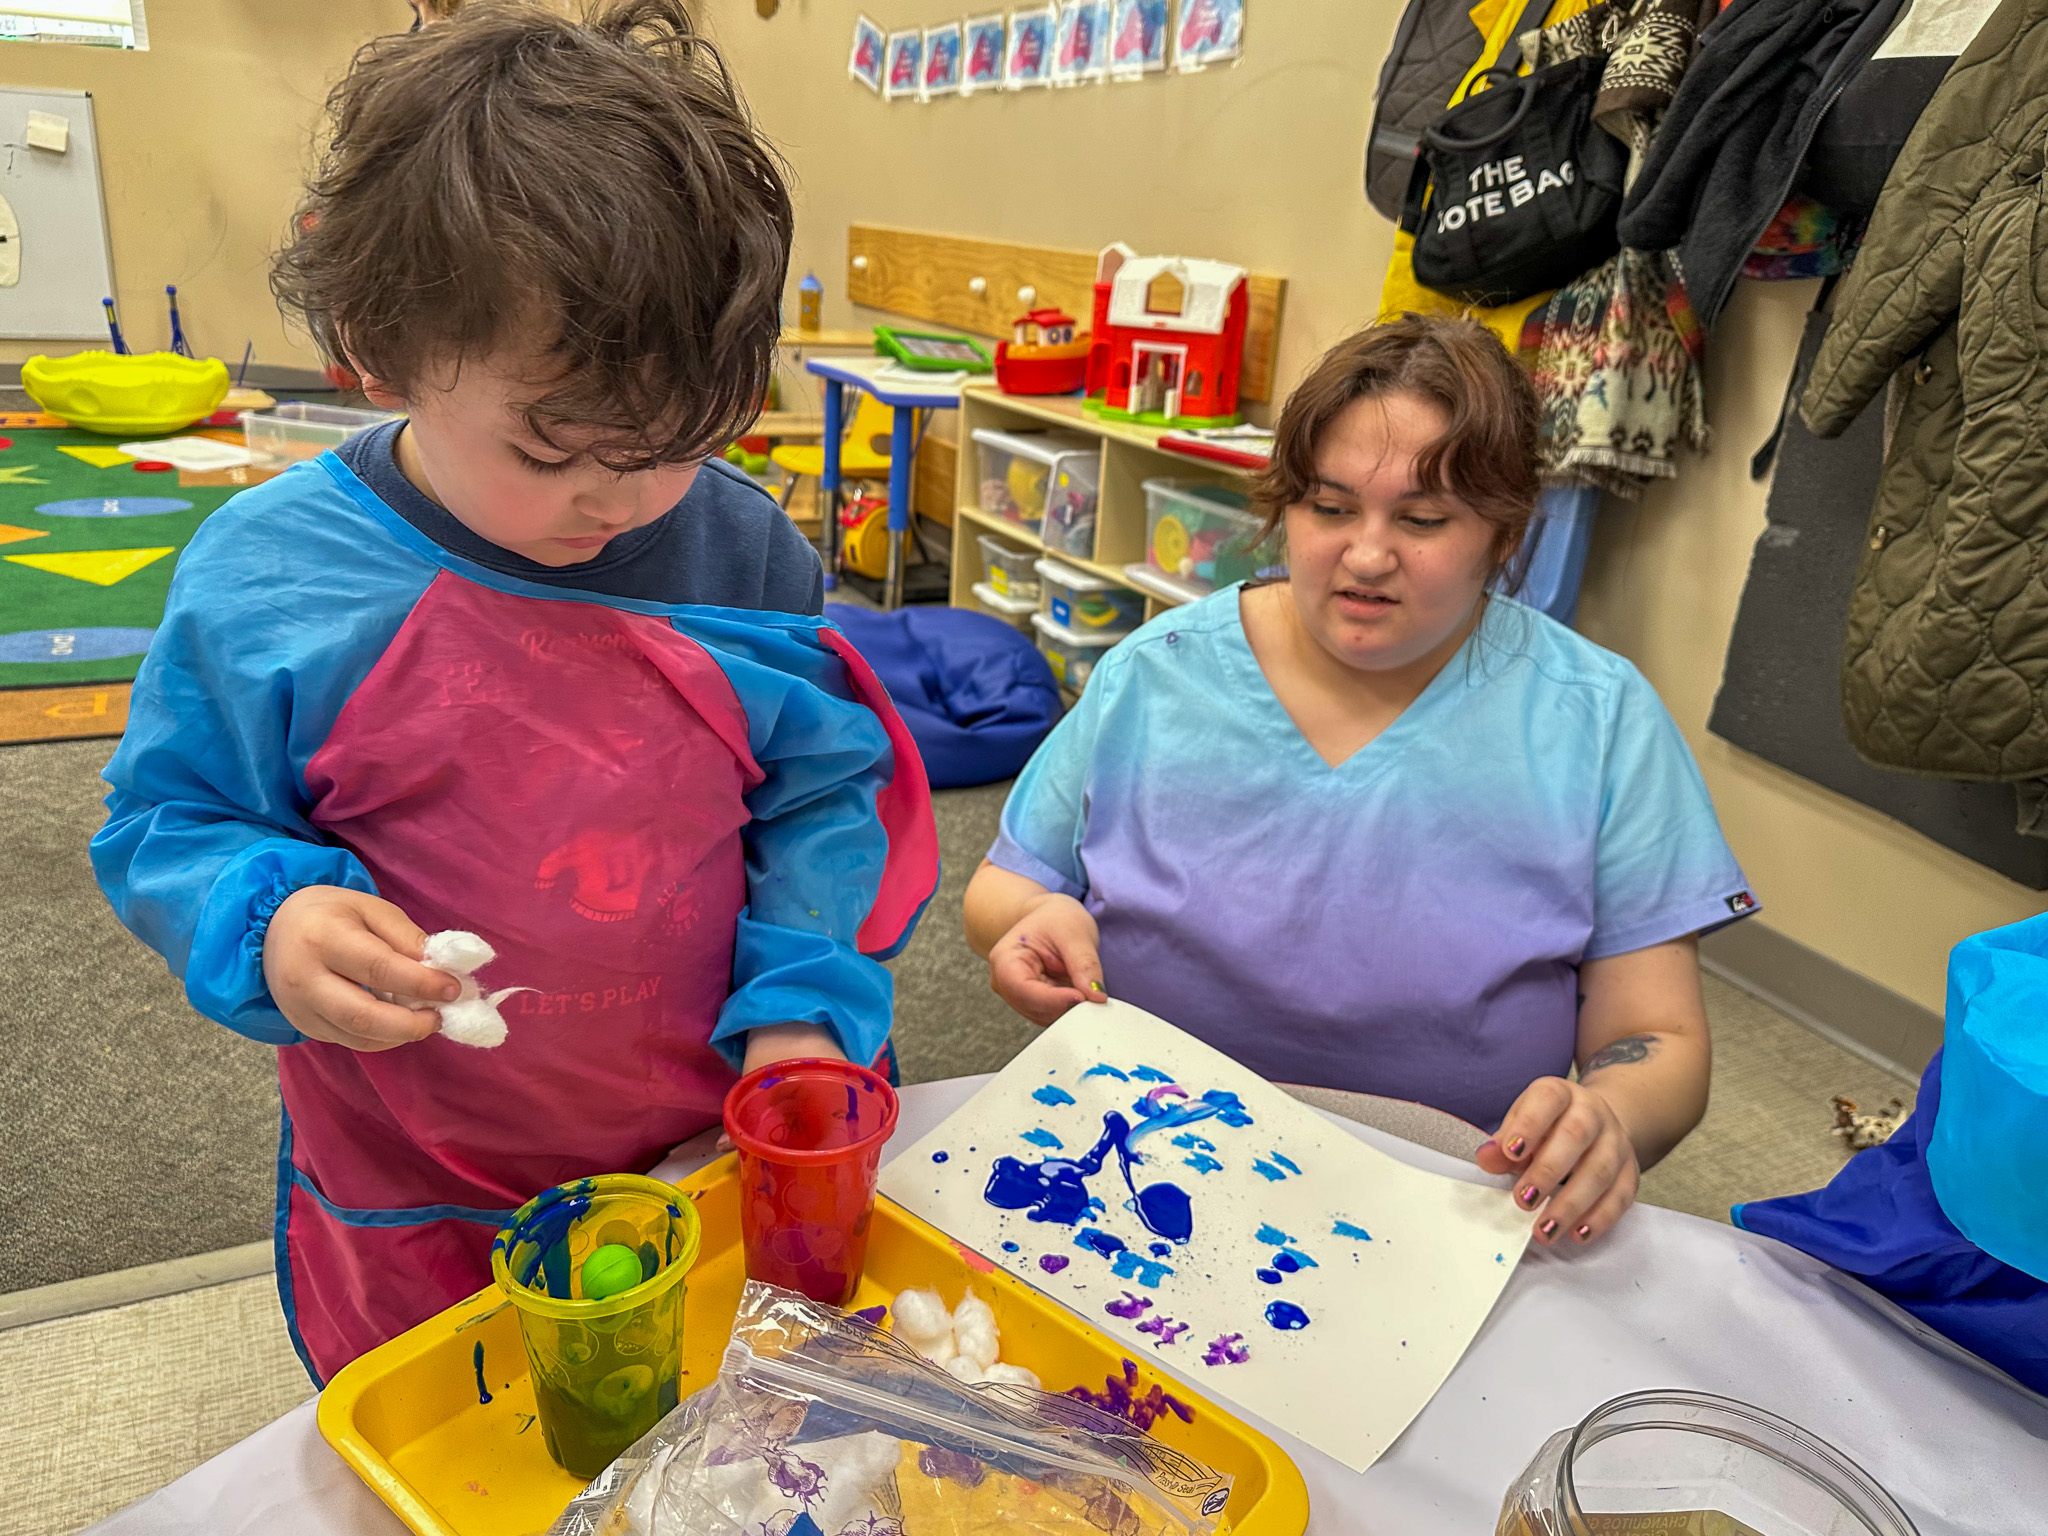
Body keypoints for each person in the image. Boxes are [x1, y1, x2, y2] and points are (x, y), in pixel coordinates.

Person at [91, 0, 936, 1383]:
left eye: (677, 443)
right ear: (381, 348)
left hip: (704, 1150)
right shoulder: (278, 581)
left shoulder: (741, 548)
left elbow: (820, 795)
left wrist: (801, 1009)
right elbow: (169, 823)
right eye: (555, 454)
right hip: (433, 1185)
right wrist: (273, 918)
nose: (625, 497)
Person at [964, 315, 1754, 1248]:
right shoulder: (1157, 673)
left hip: (1434, 1207)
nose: (1367, 554)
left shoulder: (1596, 718)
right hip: (1136, 1167)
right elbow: (1005, 888)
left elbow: (1659, 1040)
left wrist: (1611, 1117)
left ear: (1504, 533)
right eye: (1330, 508)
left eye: (1423, 520)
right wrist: (1032, 924)